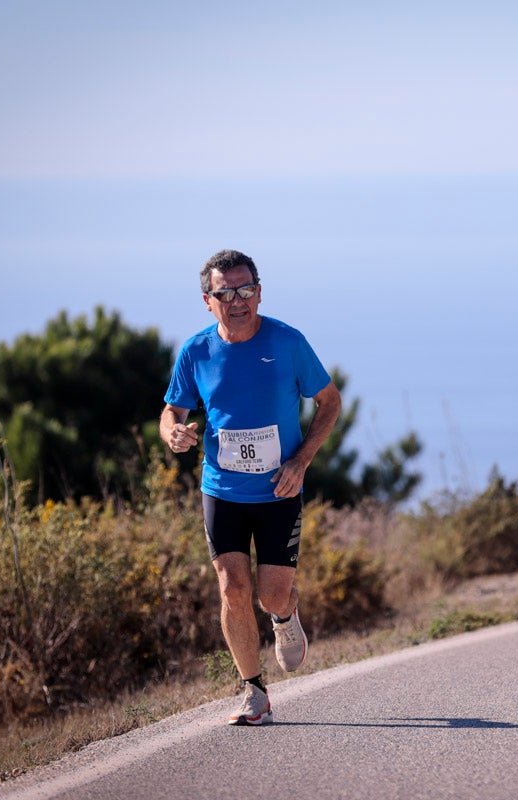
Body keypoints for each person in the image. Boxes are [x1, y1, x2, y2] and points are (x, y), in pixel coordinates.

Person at [160, 249, 341, 725]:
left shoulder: (287, 342)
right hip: (221, 490)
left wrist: (301, 462)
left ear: (259, 292)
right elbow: (172, 411)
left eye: (246, 289)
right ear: (208, 300)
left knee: (270, 595)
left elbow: (329, 402)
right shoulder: (196, 351)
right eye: (226, 292)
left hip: (280, 489)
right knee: (231, 588)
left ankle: (285, 615)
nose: (238, 300)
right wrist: (172, 432)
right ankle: (253, 692)